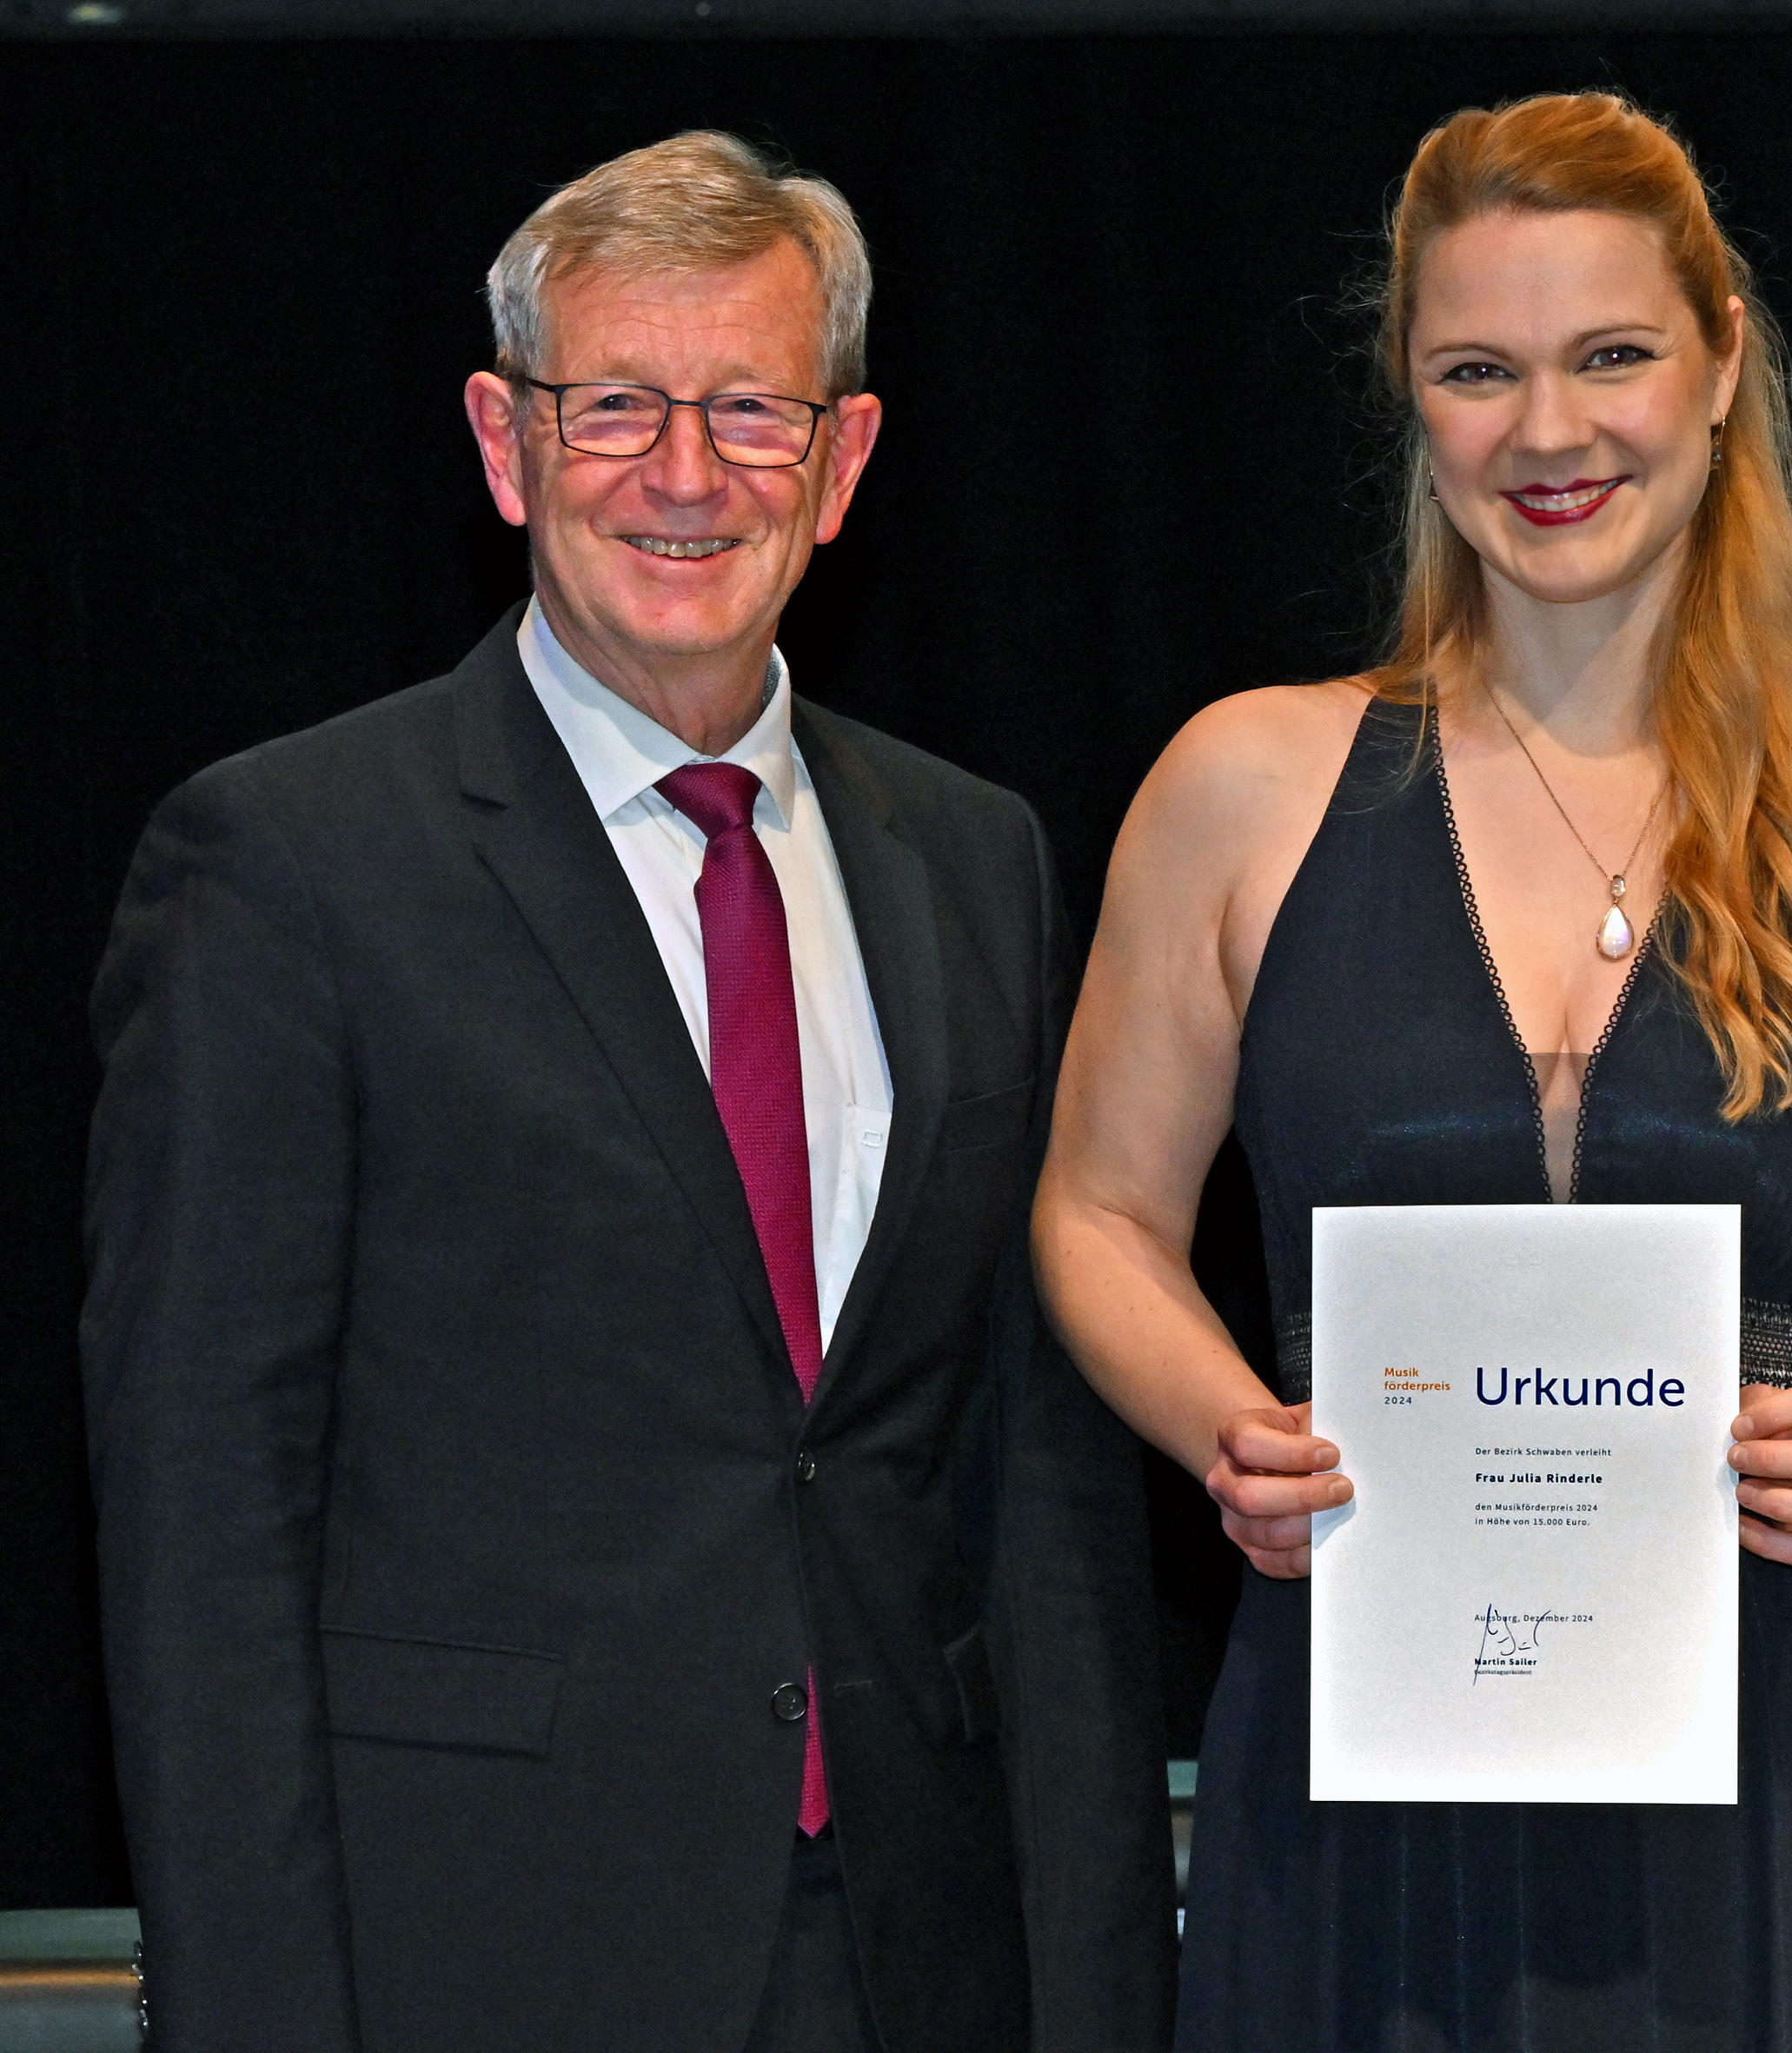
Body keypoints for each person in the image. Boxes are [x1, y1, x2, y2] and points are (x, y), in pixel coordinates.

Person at [81, 131, 1175, 2053]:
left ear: (840, 463)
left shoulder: (975, 857)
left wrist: (1094, 1985)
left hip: (913, 1950)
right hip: (473, 1950)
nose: (684, 474)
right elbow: (202, 1515)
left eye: (751, 407)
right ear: (505, 445)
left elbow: (1038, 1489)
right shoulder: (287, 861)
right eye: (616, 410)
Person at [1033, 91, 1792, 2053]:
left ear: (1722, 362)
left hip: (1783, 1765)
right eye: (1477, 370)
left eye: (1609, 357)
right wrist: (1227, 1423)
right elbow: (1095, 1211)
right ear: (1413, 402)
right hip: (1361, 1743)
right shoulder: (1243, 784)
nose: (1548, 432)